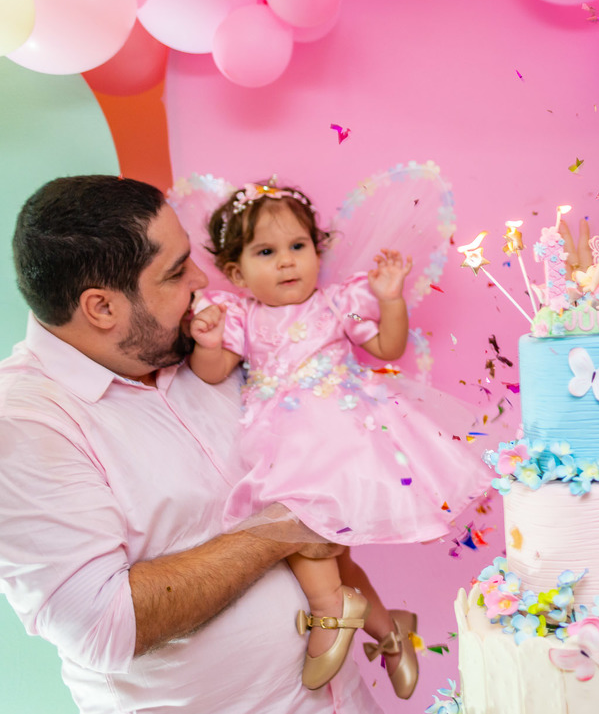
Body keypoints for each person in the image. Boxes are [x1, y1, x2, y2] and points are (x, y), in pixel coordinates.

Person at [0, 175, 382, 714]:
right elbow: (103, 625)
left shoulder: (199, 344)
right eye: (177, 271)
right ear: (101, 308)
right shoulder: (26, 424)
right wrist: (281, 529)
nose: (202, 279)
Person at [187, 180, 489, 696]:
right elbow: (212, 372)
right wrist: (209, 343)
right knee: (335, 556)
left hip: (339, 440)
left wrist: (390, 300)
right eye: (266, 252)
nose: (287, 261)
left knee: (308, 541)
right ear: (237, 273)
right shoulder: (242, 317)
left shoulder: (336, 305)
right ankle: (390, 631)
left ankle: (330, 607)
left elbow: (388, 347)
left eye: (297, 246)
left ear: (316, 251)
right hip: (281, 441)